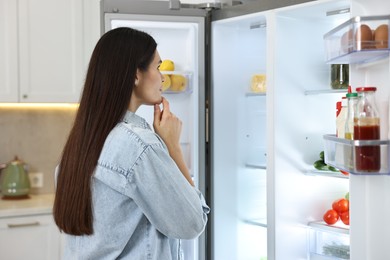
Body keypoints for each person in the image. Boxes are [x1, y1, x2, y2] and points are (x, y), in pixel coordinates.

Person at [53, 27, 209, 260]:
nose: (163, 77)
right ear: (136, 75)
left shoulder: (82, 141)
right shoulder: (139, 146)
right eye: (157, 67)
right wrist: (172, 147)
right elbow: (192, 223)